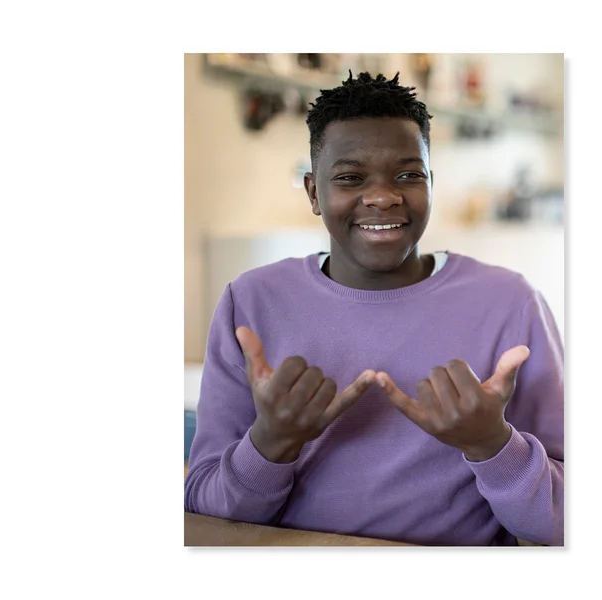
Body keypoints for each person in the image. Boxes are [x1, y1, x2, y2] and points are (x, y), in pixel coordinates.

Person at [184, 72, 564, 546]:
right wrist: (272, 442)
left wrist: (492, 445)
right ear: (313, 192)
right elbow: (203, 508)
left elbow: (564, 524)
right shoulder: (251, 302)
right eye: (350, 177)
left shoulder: (512, 303)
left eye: (408, 175)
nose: (383, 196)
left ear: (431, 183)